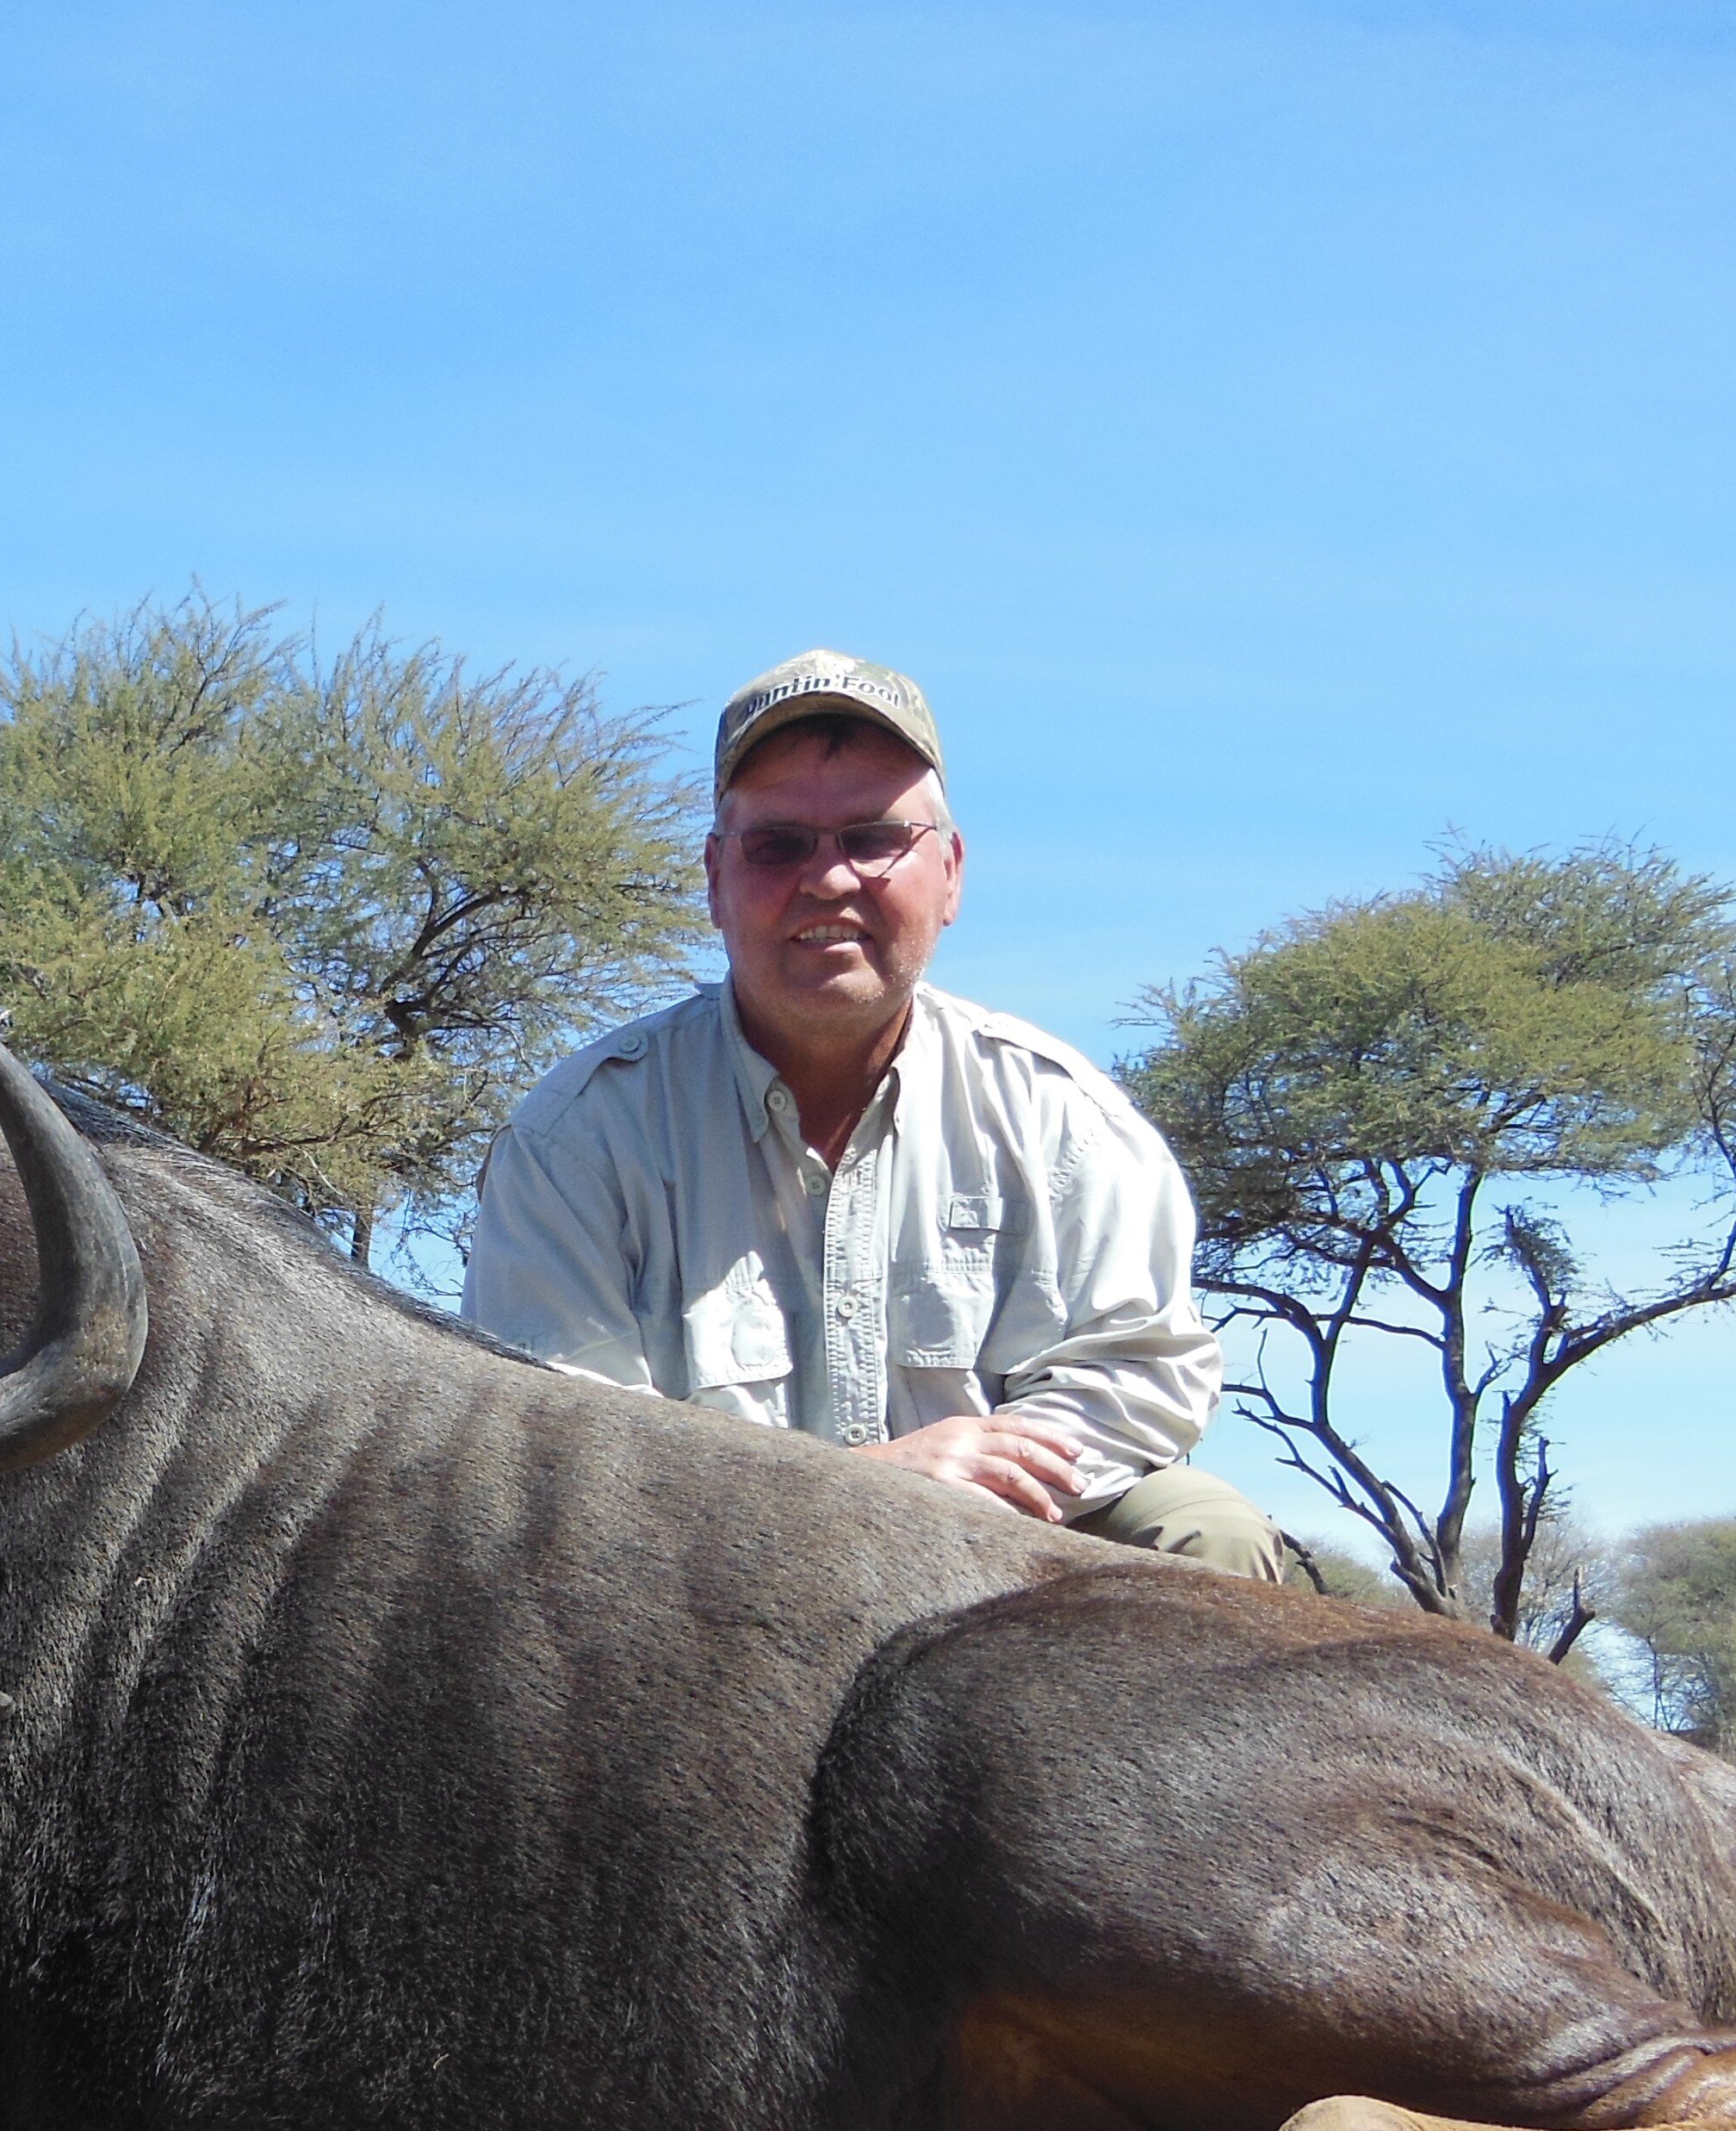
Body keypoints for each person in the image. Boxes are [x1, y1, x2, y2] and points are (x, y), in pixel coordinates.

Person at [463, 647, 1284, 1579]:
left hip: (1001, 1559)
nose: (829, 880)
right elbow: (560, 1455)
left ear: (951, 873)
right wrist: (863, 1493)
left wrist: (970, 1495)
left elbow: (1141, 1370)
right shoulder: (577, 1135)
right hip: (703, 1586)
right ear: (714, 881)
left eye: (872, 839)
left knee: (1200, 1531)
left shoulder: (1066, 1118)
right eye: (779, 845)